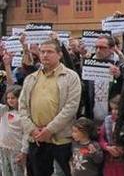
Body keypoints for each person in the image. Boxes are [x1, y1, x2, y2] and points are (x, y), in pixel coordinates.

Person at [18, 39, 82, 176]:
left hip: (61, 140)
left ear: (59, 54)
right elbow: (22, 107)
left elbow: (71, 107)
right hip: (36, 140)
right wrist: (33, 130)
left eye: (49, 52)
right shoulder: (31, 78)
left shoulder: (71, 77)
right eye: (42, 52)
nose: (45, 55)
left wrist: (49, 130)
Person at [98, 96, 124, 176]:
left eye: (117, 109)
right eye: (112, 109)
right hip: (109, 159)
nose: (114, 112)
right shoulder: (107, 120)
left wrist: (123, 149)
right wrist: (107, 147)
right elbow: (101, 138)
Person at [0, 85, 23, 176]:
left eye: (13, 98)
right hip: (3, 148)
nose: (10, 100)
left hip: (17, 150)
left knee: (17, 173)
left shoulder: (23, 114)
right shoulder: (4, 110)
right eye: (8, 98)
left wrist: (23, 151)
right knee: (5, 172)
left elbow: (26, 134)